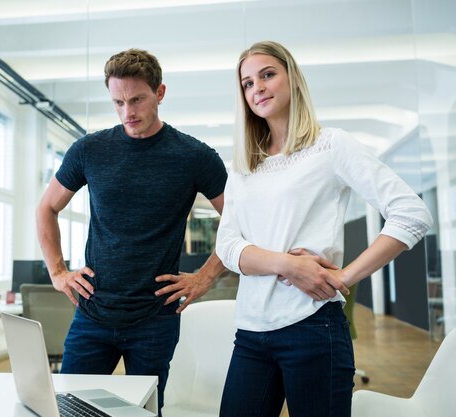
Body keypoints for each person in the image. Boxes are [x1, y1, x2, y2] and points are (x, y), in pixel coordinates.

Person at [215, 40, 433, 417]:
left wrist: (345, 276)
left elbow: (411, 214)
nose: (258, 88)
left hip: (312, 327)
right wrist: (289, 264)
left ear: (293, 79)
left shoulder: (331, 145)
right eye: (247, 83)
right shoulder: (244, 165)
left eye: (267, 75)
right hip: (251, 333)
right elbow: (228, 246)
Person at [36, 48, 228, 413]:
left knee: (143, 412)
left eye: (137, 99)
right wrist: (58, 272)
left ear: (160, 92)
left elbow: (239, 221)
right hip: (92, 314)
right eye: (118, 102)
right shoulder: (88, 150)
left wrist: (205, 278)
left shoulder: (195, 157)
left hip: (155, 319)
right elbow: (46, 207)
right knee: (67, 409)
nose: (128, 112)